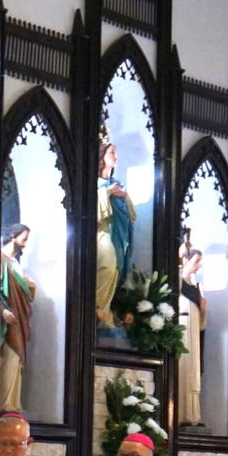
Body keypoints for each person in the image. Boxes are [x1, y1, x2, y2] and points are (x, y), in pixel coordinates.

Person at [94, 140, 136, 326]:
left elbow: (131, 216)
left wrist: (124, 196)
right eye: (112, 153)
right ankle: (98, 311)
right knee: (108, 269)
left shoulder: (116, 184)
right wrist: (106, 193)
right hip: (101, 232)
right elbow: (90, 211)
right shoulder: (95, 184)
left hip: (117, 235)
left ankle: (106, 311)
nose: (116, 157)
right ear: (102, 157)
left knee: (117, 271)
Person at [0, 224, 35, 414]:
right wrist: (2, 310)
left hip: (19, 318)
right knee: (11, 358)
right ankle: (5, 403)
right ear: (13, 236)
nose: (26, 244)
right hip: (7, 319)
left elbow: (22, 294)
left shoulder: (14, 263)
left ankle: (14, 402)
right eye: (24, 239)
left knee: (17, 360)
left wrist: (28, 286)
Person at [176, 243, 206, 427]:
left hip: (194, 333)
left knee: (193, 372)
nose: (199, 266)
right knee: (184, 370)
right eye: (197, 261)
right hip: (183, 332)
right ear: (186, 259)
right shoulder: (179, 279)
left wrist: (203, 311)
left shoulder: (197, 284)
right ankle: (180, 414)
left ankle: (193, 415)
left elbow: (202, 321)